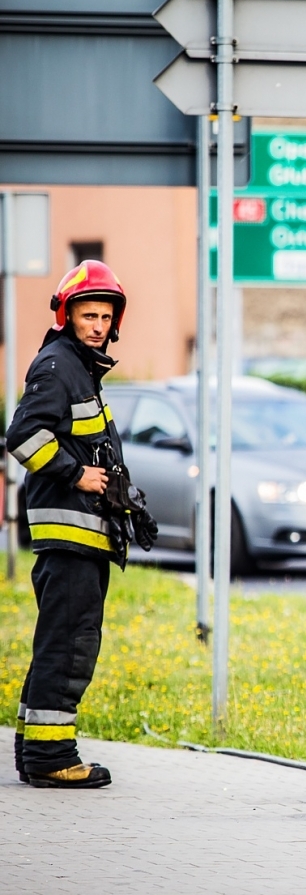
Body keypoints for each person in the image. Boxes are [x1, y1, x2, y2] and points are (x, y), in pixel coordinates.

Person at [8, 261, 140, 788]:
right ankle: (52, 758)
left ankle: (34, 747)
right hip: (69, 538)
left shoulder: (79, 367)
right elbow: (22, 436)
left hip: (81, 537)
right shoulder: (58, 365)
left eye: (106, 316)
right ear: (67, 315)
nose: (97, 325)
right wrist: (77, 474)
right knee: (70, 646)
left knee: (57, 642)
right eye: (88, 314)